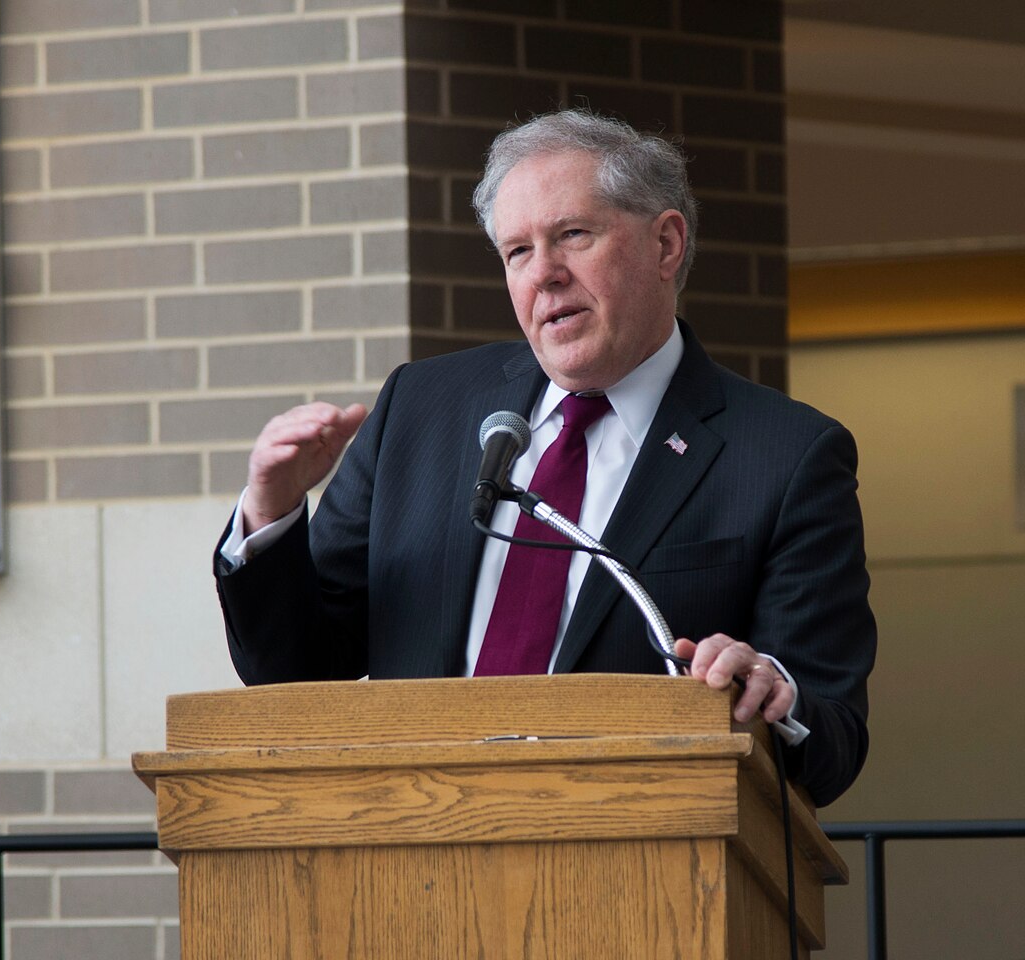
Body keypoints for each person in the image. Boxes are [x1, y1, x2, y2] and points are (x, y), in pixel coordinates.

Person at [214, 109, 875, 807]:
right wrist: (271, 513)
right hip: (411, 848)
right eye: (517, 252)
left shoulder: (785, 454)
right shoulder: (421, 409)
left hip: (631, 865)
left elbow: (833, 740)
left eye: (572, 236)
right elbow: (297, 671)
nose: (545, 276)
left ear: (666, 244)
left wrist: (773, 696)